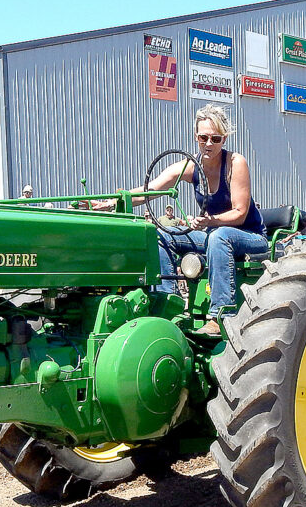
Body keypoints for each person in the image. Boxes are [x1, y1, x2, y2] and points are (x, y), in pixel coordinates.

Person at [94, 104, 267, 336]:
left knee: (219, 236)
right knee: (161, 234)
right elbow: (151, 190)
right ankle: (169, 305)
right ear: (196, 136)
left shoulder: (235, 163)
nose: (208, 144)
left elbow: (240, 213)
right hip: (214, 235)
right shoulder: (190, 166)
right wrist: (112, 204)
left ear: (223, 139)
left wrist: (210, 221)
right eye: (203, 137)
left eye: (215, 139)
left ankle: (219, 316)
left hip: (250, 237)